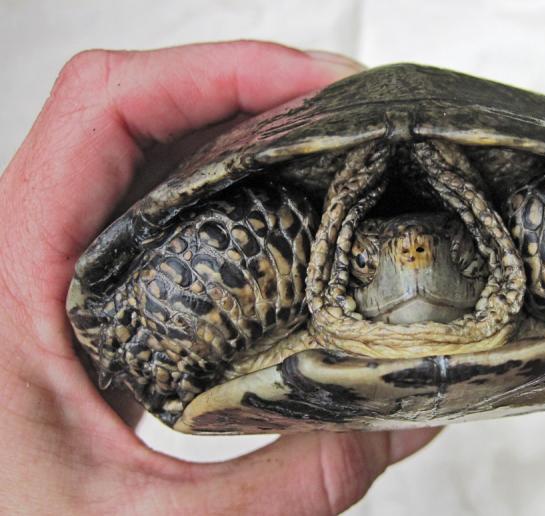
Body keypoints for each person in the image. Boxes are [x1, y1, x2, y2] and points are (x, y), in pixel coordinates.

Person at [0, 41, 440, 514]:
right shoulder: (291, 259)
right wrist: (157, 339)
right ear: (338, 261)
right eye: (364, 260)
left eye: (451, 249)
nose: (413, 257)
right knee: (261, 236)